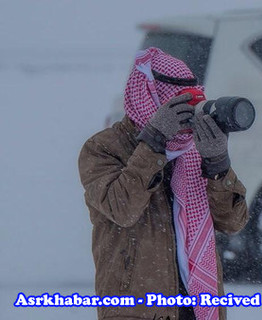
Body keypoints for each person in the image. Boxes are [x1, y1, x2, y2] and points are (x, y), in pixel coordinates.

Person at [78, 47, 249, 320]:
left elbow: (233, 222)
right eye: (176, 105)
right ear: (148, 97)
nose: (185, 117)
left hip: (198, 308)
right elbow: (122, 209)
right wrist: (154, 140)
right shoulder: (103, 148)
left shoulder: (194, 150)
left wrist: (218, 166)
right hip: (136, 310)